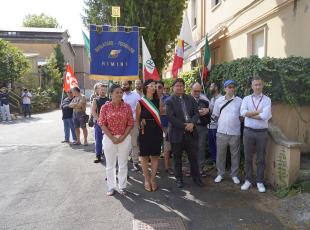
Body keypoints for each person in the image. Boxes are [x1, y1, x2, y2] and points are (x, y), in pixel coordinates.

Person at [166, 78, 204, 188]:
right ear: (173, 87)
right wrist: (185, 126)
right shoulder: (169, 101)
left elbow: (196, 113)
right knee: (177, 158)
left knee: (193, 157)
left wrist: (192, 123)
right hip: (177, 134)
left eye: (181, 85)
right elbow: (170, 117)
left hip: (191, 133)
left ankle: (196, 178)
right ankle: (179, 179)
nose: (179, 87)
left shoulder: (190, 99)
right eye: (177, 85)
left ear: (184, 87)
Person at [98, 84, 133, 196]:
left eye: (120, 92)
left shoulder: (126, 107)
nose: (119, 94)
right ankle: (111, 187)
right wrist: (112, 137)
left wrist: (122, 137)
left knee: (123, 164)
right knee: (110, 164)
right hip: (109, 138)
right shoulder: (105, 107)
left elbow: (130, 123)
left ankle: (122, 186)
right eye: (116, 92)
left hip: (124, 137)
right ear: (111, 94)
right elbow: (102, 123)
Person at [240, 76, 272, 193]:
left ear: (262, 85)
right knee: (248, 157)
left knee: (261, 158)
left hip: (262, 133)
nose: (257, 87)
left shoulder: (267, 100)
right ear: (252, 86)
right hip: (248, 131)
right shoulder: (246, 99)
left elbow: (265, 116)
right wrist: (259, 112)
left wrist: (250, 114)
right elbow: (242, 113)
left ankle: (259, 181)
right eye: (255, 85)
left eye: (259, 84)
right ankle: (248, 180)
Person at [212, 80, 242, 185]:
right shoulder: (219, 101)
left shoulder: (240, 101)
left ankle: (234, 175)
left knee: (235, 155)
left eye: (233, 87)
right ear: (225, 88)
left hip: (235, 133)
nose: (231, 89)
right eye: (229, 87)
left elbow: (241, 116)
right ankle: (220, 174)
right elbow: (215, 116)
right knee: (220, 155)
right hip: (221, 132)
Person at [136, 79, 163, 192]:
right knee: (145, 157)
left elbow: (160, 116)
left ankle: (153, 179)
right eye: (151, 85)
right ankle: (146, 179)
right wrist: (141, 121)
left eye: (154, 86)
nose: (154, 87)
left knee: (155, 156)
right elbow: (137, 119)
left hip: (156, 130)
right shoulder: (140, 102)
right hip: (145, 132)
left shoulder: (158, 101)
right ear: (146, 87)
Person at [191, 82, 210, 177]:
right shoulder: (186, 101)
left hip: (202, 128)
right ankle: (191, 169)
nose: (197, 93)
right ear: (191, 90)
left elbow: (209, 118)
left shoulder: (205, 102)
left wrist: (207, 112)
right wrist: (197, 113)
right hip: (191, 128)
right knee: (190, 148)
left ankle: (200, 169)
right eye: (195, 91)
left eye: (199, 91)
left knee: (201, 148)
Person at [122, 80, 141, 172]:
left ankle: (135, 162)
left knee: (134, 143)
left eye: (125, 84)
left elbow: (140, 109)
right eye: (123, 84)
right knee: (124, 143)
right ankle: (123, 162)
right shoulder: (120, 95)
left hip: (133, 123)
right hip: (122, 124)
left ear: (130, 85)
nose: (124, 86)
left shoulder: (136, 95)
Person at [157, 81, 173, 175]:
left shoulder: (169, 98)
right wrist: (162, 110)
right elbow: (159, 111)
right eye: (159, 87)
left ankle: (167, 167)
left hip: (166, 126)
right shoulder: (152, 98)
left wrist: (162, 110)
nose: (164, 90)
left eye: (167, 88)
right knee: (155, 147)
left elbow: (168, 111)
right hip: (155, 126)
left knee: (167, 147)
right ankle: (155, 168)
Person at [91, 84, 109, 163]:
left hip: (108, 123)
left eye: (104, 90)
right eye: (101, 89)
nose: (103, 91)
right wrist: (99, 121)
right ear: (98, 90)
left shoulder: (109, 100)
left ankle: (107, 154)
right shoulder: (96, 100)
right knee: (98, 140)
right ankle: (98, 155)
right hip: (99, 123)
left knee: (107, 140)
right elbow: (93, 111)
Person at [208, 82, 222, 164]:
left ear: (216, 88)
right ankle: (214, 162)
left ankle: (219, 163)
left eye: (211, 86)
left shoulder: (221, 99)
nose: (210, 88)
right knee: (211, 145)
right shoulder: (212, 99)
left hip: (217, 126)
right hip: (210, 126)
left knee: (218, 146)